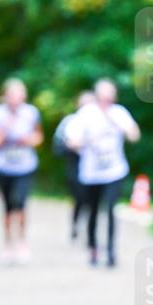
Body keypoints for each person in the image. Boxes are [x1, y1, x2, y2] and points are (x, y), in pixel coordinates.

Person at [66, 78, 140, 267]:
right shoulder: (86, 113)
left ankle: (111, 251)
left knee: (111, 208)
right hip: (91, 172)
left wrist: (123, 127)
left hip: (115, 170)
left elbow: (134, 135)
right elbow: (72, 141)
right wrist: (86, 141)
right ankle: (93, 249)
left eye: (110, 95)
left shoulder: (119, 113)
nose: (107, 99)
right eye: (103, 95)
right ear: (97, 95)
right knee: (93, 210)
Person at [0, 78, 43, 264]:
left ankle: (22, 243)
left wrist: (27, 139)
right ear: (5, 96)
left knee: (20, 203)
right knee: (8, 207)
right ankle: (8, 245)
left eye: (19, 94)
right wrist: (7, 126)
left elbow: (38, 137)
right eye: (12, 95)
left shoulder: (31, 113)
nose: (16, 98)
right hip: (3, 166)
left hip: (25, 166)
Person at [53, 91, 96, 241]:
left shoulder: (101, 121)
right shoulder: (70, 122)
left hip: (96, 168)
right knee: (80, 197)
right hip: (75, 165)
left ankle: (91, 231)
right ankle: (76, 224)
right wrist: (72, 146)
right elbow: (58, 146)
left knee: (93, 200)